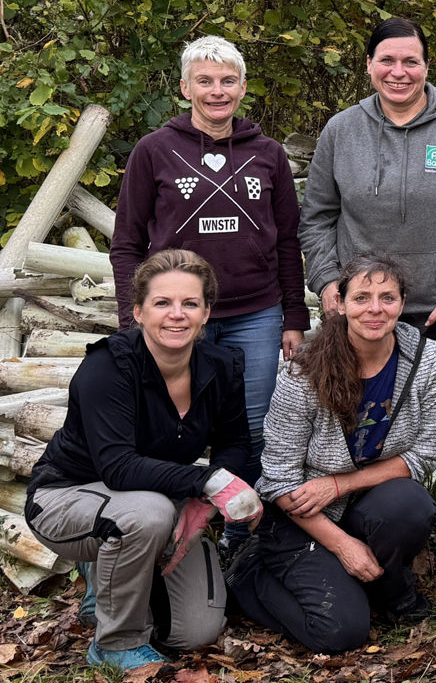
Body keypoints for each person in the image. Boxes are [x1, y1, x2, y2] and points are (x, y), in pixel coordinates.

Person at [298, 18, 436, 581]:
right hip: (362, 308)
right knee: (350, 418)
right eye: (387, 60)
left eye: (410, 61)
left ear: (426, 67)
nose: (399, 72)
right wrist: (328, 283)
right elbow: (316, 217)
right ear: (369, 67)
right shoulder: (342, 131)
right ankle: (352, 530)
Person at [109, 34, 308, 555]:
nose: (216, 91)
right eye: (204, 81)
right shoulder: (154, 151)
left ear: (242, 88)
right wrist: (135, 322)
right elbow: (127, 242)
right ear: (184, 87)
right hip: (177, 317)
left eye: (227, 81)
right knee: (167, 430)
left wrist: (294, 315)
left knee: (255, 428)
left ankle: (244, 537)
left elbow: (289, 239)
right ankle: (170, 536)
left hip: (256, 314)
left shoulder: (268, 154)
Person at [25, 250, 262, 671]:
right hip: (66, 497)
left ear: (207, 312)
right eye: (162, 303)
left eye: (190, 303)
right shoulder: (107, 367)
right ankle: (115, 642)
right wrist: (207, 483)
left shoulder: (222, 366)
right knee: (147, 515)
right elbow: (117, 466)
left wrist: (200, 502)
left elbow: (236, 445)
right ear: (137, 311)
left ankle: (112, 580)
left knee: (196, 633)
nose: (177, 315)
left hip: (155, 501)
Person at [226, 254, 436, 653]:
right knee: (341, 632)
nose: (376, 309)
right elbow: (278, 479)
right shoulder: (303, 373)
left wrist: (339, 483)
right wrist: (341, 545)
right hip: (301, 517)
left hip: (368, 503)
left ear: (403, 303)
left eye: (388, 297)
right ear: (340, 303)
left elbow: (423, 455)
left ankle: (389, 590)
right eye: (362, 297)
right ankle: (250, 574)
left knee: (410, 504)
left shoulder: (428, 362)